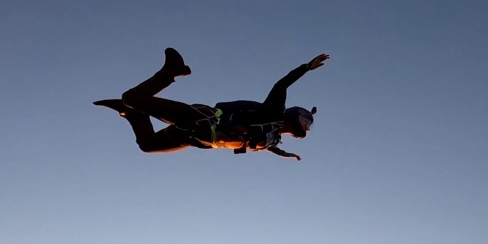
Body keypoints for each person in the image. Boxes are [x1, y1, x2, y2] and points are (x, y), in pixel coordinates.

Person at [94, 48, 329, 160]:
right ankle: (170, 72)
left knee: (147, 144)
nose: (305, 128)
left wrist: (286, 154)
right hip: (200, 119)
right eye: (305, 122)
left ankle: (133, 115)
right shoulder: (274, 112)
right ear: (294, 116)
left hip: (196, 139)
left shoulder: (273, 137)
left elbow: (268, 146)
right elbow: (281, 86)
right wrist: (306, 67)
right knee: (133, 97)